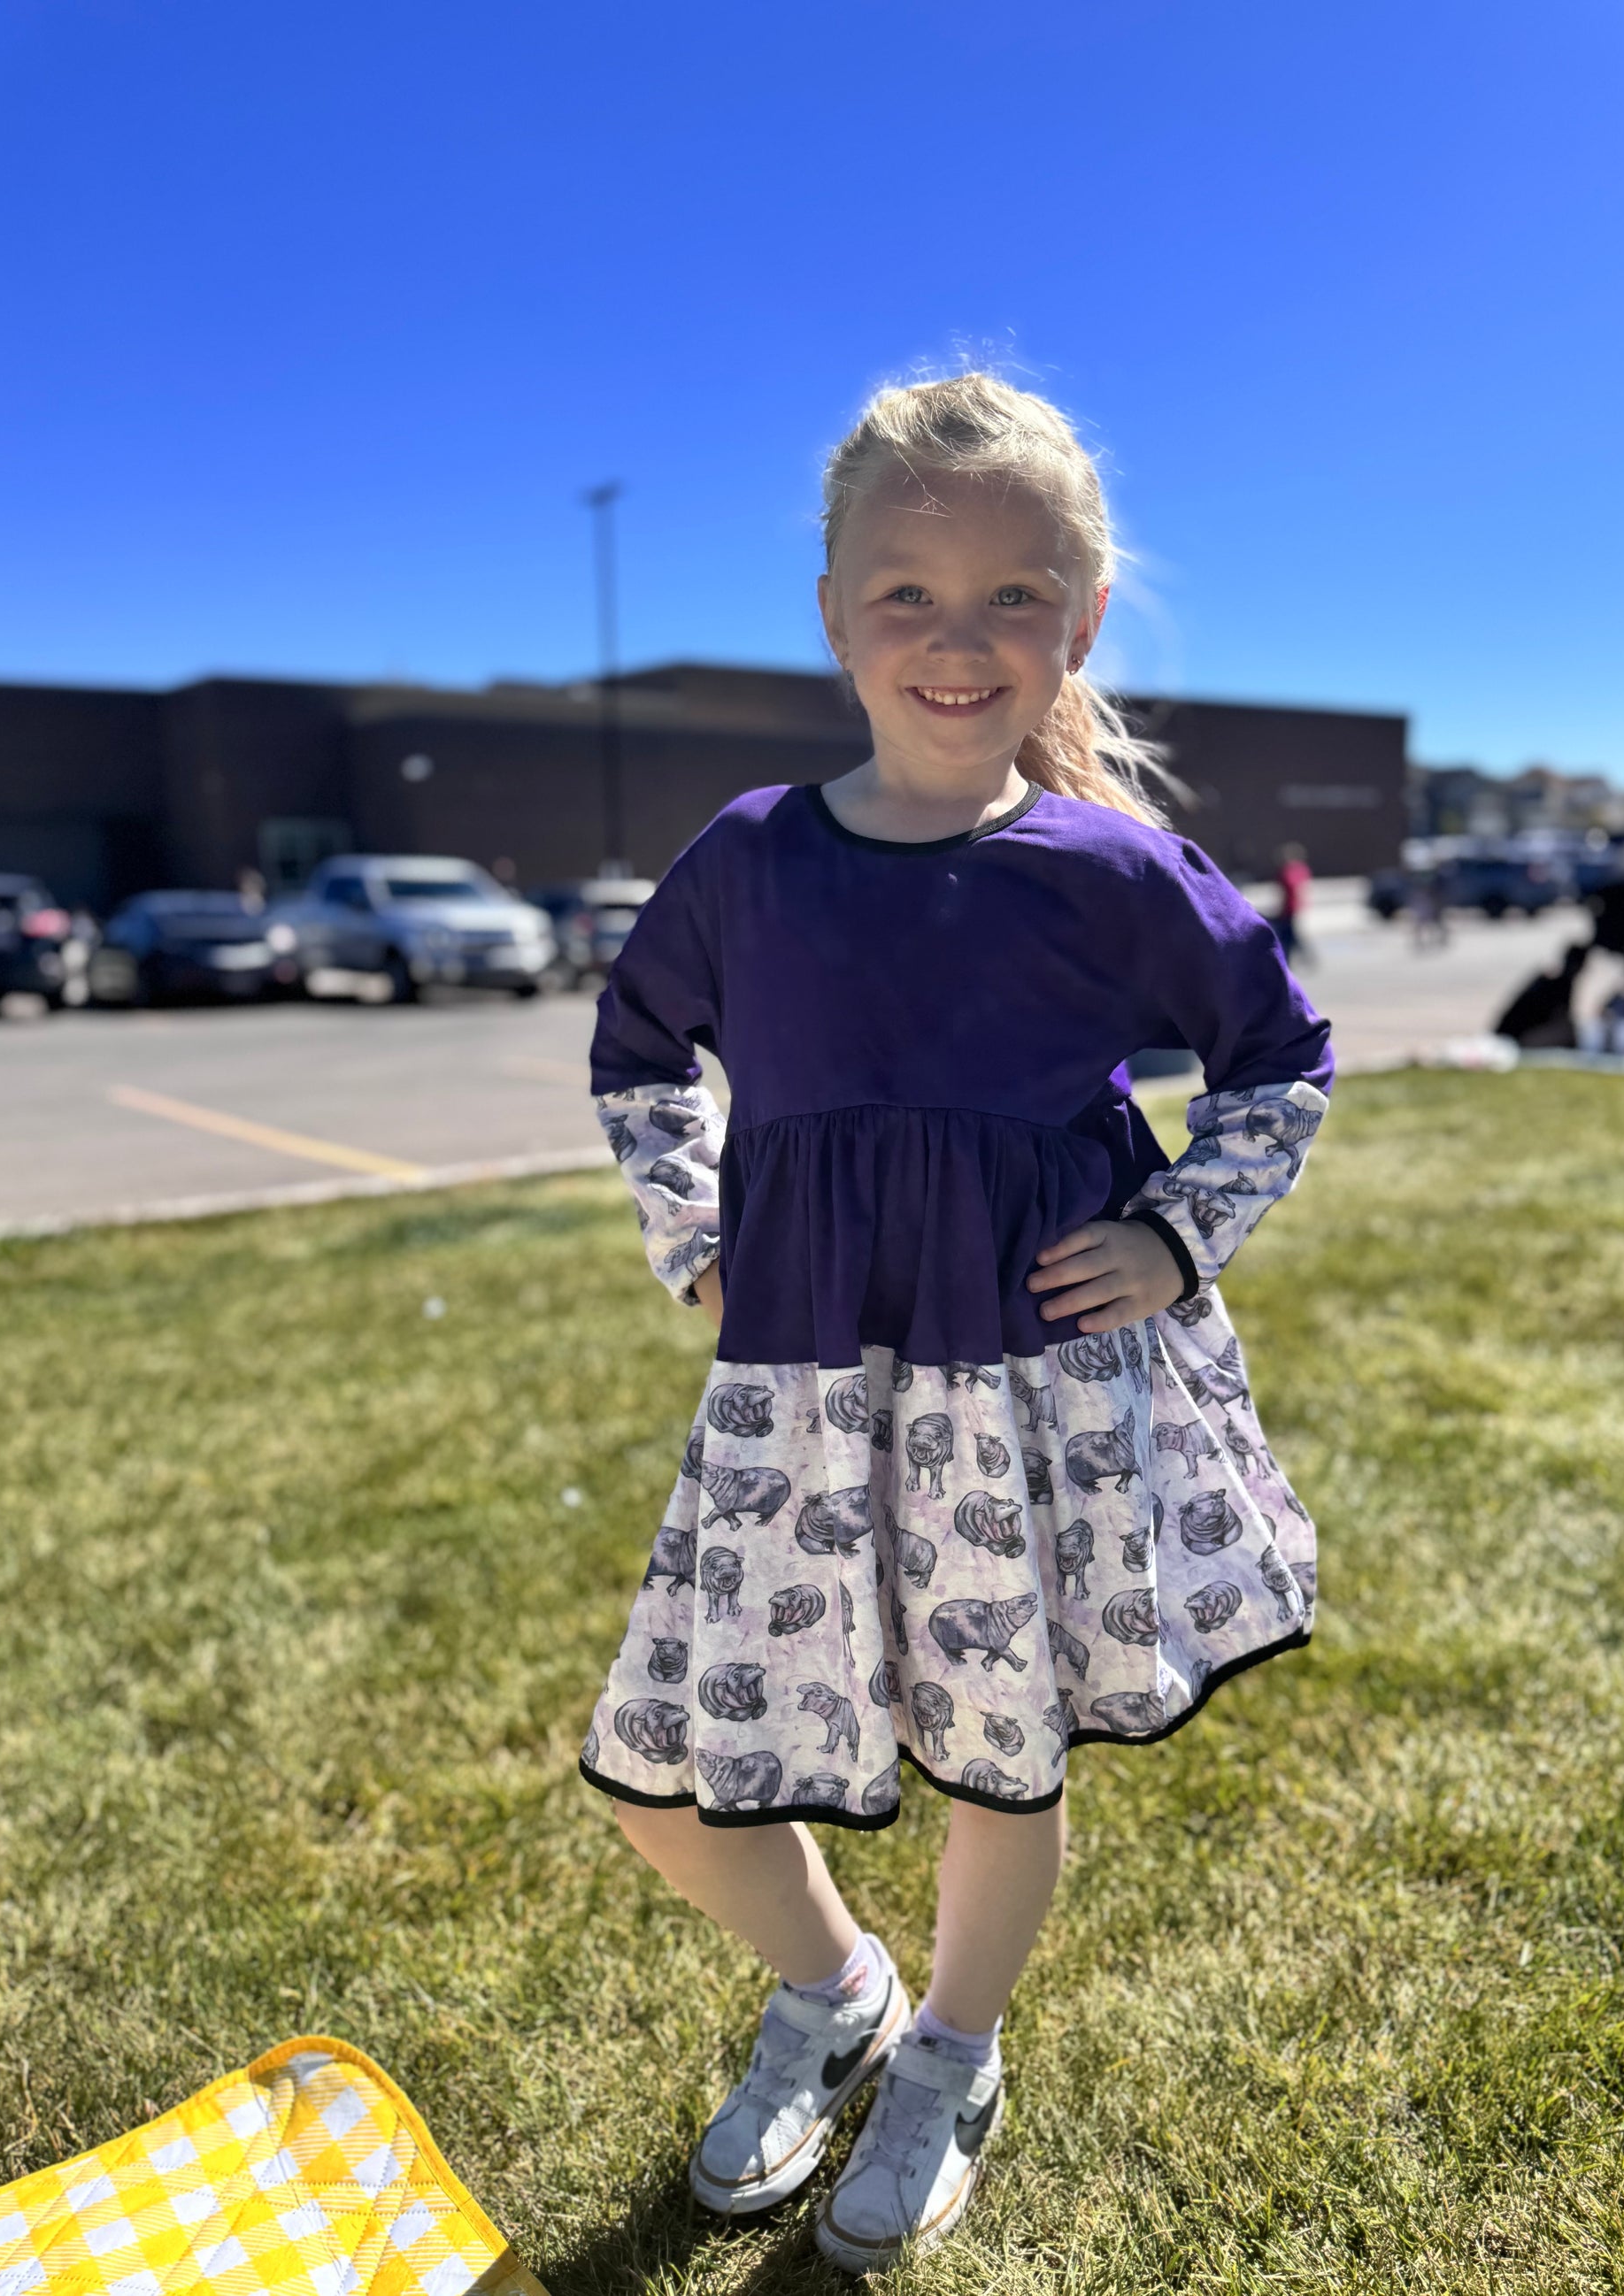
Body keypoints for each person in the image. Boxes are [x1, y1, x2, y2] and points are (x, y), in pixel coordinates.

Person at [577, 373, 1333, 2273]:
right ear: (834, 613)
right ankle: (836, 1990)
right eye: (907, 591)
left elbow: (1280, 1064)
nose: (957, 635)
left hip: (1027, 1405)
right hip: (801, 1395)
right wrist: (695, 1235)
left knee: (1004, 1756)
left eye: (1014, 595)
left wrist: (1175, 1234)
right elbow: (636, 1053)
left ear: (1079, 622)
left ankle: (952, 2050)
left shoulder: (1113, 872)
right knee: (662, 1772)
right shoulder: (750, 859)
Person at [1271, 842, 1312, 965]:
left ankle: (1293, 958)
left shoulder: (1291, 871)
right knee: (1289, 935)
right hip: (1287, 907)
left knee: (1289, 936)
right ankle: (1296, 957)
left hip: (1291, 907)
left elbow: (1298, 888)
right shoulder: (1287, 870)